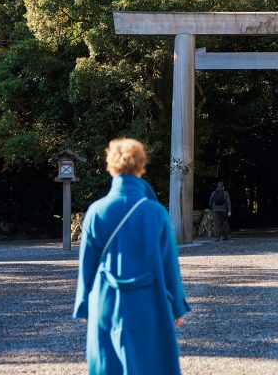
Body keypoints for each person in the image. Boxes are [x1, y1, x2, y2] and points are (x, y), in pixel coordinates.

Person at [73, 138, 191, 375]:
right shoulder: (156, 212)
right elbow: (170, 265)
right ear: (141, 166)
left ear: (111, 165)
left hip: (106, 300)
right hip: (149, 301)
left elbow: (87, 266)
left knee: (109, 367)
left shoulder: (96, 211)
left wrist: (84, 306)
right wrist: (177, 306)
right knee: (150, 365)